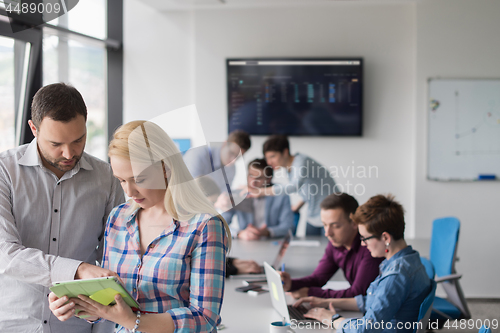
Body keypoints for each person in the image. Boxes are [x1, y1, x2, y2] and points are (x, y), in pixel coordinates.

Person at [49, 120, 230, 333]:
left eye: (138, 179)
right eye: (122, 180)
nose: (130, 192)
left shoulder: (204, 226)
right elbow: (110, 302)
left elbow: (205, 317)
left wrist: (133, 321)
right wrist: (79, 305)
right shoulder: (118, 218)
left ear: (165, 167)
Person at [0, 83, 125, 332]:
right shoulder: (4, 172)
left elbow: (118, 256)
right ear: (33, 129)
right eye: (56, 143)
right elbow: (4, 254)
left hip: (78, 324)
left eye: (79, 140)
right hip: (13, 323)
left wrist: (98, 315)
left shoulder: (107, 177)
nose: (69, 153)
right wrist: (76, 270)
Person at [294, 194, 431, 333]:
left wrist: (333, 319)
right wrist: (326, 302)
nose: (362, 243)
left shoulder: (395, 276)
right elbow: (376, 301)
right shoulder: (409, 259)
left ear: (385, 238)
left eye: (365, 238)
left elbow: (366, 329)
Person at [281, 193, 383, 299]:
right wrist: (291, 284)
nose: (327, 233)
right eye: (324, 225)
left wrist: (311, 292)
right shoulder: (336, 243)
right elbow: (318, 278)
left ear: (354, 223)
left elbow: (358, 293)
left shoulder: (369, 247)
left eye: (335, 226)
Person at [250, 135, 337, 235]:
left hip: (331, 214)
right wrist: (297, 206)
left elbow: (294, 186)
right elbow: (309, 190)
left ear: (285, 152)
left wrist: (261, 192)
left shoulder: (301, 162)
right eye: (267, 158)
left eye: (272, 156)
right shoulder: (289, 169)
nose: (269, 162)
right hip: (313, 216)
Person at [223, 158, 294, 240]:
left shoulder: (281, 195)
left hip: (271, 242)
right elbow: (221, 224)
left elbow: (287, 226)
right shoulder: (238, 194)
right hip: (245, 241)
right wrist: (239, 233)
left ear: (268, 179)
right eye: (251, 176)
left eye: (259, 178)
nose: (253, 182)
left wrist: (268, 232)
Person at [182, 130, 251, 211]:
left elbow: (224, 194)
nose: (233, 160)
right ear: (224, 144)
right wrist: (216, 202)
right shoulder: (197, 156)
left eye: (238, 157)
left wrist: (227, 200)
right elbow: (190, 192)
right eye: (232, 153)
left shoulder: (231, 168)